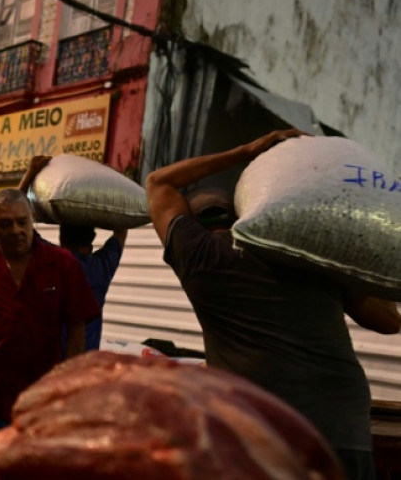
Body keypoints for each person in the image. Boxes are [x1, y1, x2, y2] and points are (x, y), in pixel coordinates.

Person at [145, 129, 400, 480]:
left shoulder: (200, 258)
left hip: (263, 430)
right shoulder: (305, 253)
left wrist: (244, 149)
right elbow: (390, 321)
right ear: (239, 217)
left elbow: (159, 182)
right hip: (340, 420)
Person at [0, 189, 99, 432]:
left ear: (32, 218)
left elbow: (77, 329)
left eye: (22, 222)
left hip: (40, 405)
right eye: (5, 224)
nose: (16, 231)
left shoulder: (63, 264)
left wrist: (68, 379)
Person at [19, 155, 127, 351]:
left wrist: (31, 173)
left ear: (62, 239)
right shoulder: (102, 268)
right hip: (84, 361)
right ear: (93, 239)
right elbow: (122, 229)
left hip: (50, 360)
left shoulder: (50, 259)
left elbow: (16, 217)